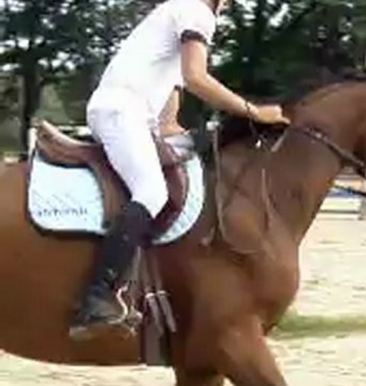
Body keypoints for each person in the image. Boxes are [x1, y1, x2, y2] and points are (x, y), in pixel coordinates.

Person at [69, 0, 290, 340]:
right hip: (121, 112)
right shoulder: (196, 12)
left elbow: (168, 121)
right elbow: (197, 78)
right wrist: (253, 112)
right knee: (152, 192)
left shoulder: (178, 18)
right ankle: (97, 295)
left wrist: (200, 140)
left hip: (135, 117)